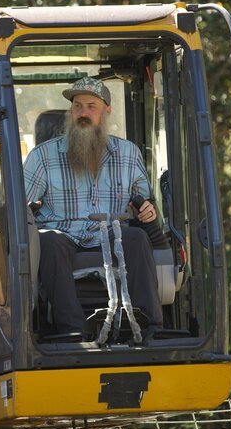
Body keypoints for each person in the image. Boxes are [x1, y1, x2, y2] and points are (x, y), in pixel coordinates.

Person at [23, 77, 163, 336]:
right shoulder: (42, 156)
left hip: (113, 233)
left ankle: (150, 326)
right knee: (48, 241)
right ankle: (72, 330)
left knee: (137, 237)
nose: (83, 113)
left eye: (91, 106)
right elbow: (19, 205)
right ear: (70, 111)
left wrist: (147, 209)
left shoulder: (128, 153)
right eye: (78, 106)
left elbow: (144, 200)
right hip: (64, 235)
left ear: (107, 111)